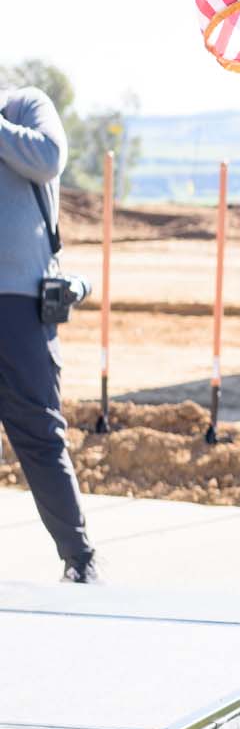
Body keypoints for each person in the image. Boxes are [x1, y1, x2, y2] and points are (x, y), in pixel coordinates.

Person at [0, 84, 97, 583]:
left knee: (39, 434)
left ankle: (79, 560)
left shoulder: (25, 105)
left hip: (18, 304)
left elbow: (49, 158)